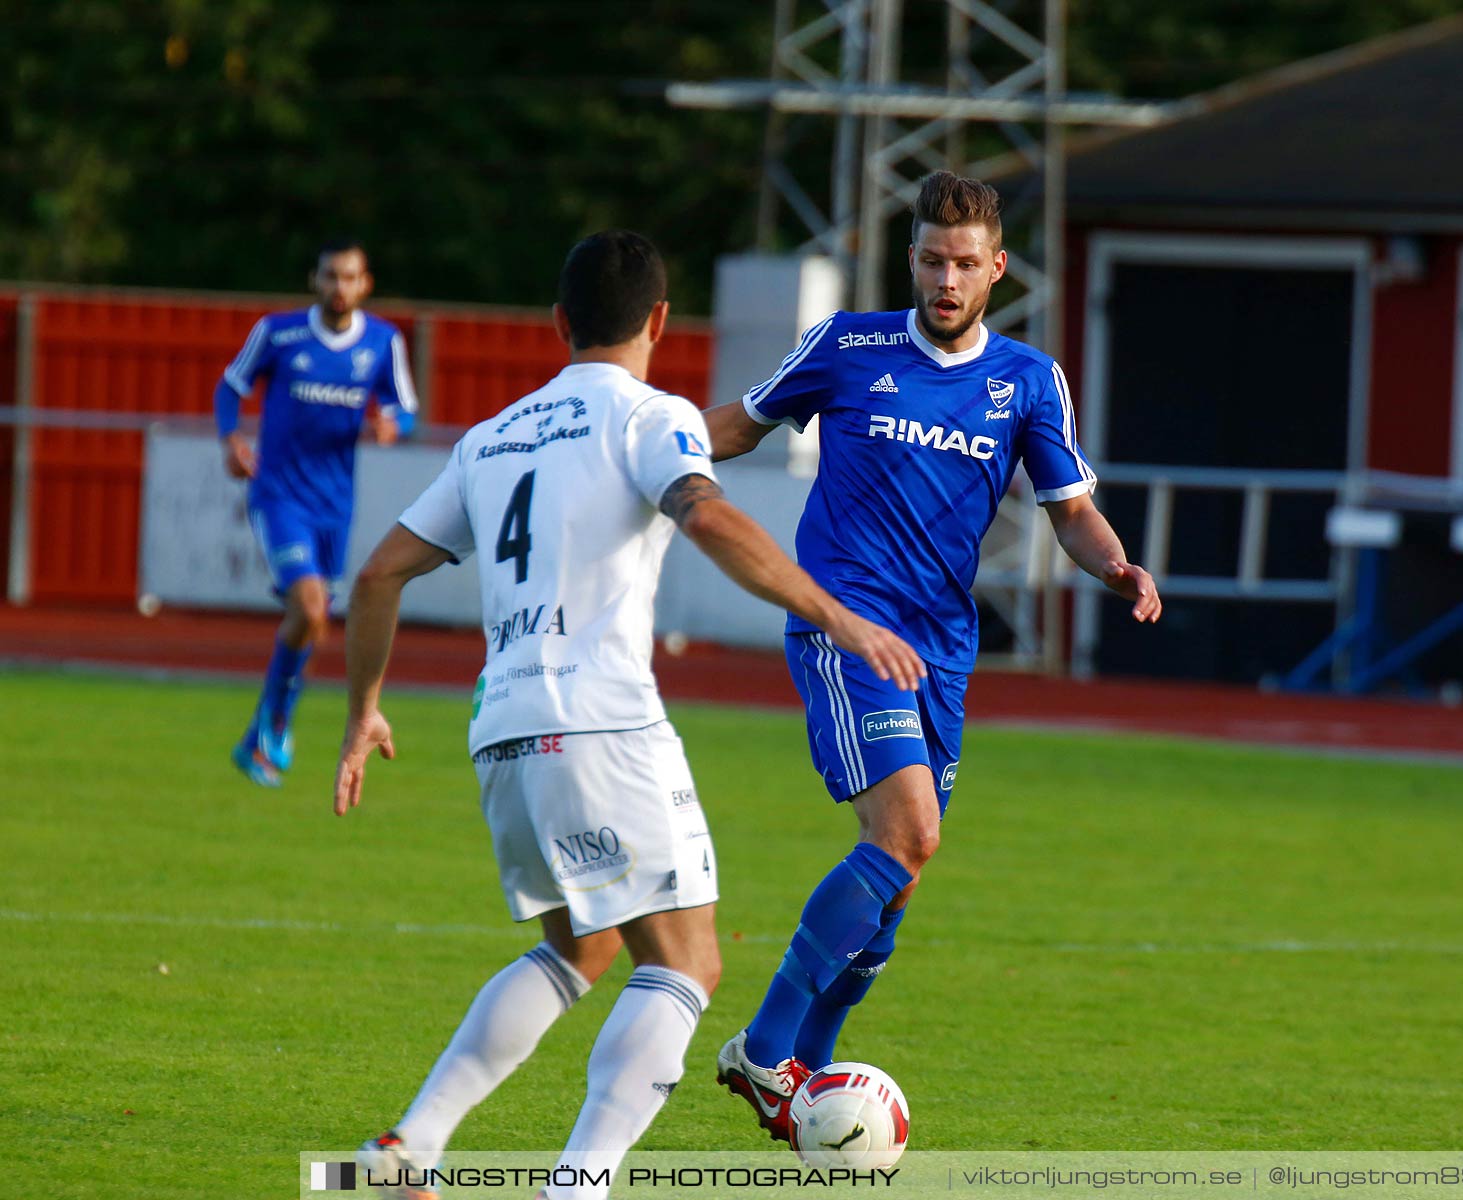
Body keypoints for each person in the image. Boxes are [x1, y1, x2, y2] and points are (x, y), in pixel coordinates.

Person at [333, 231, 923, 1200]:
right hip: (601, 723)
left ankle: (409, 1150)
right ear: (659, 322)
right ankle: (579, 1185)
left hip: (503, 734)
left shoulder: (493, 436)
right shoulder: (654, 417)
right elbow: (709, 515)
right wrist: (840, 618)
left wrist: (364, 711)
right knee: (689, 961)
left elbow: (378, 575)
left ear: (559, 323)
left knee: (584, 945)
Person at [704, 170, 1162, 1141]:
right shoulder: (849, 347)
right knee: (907, 831)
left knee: (902, 878)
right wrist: (649, 457)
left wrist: (1117, 566)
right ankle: (763, 1047)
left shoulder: (1030, 383)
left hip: (942, 657)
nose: (946, 279)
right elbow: (737, 427)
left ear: (998, 268)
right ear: (908, 259)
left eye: (965, 263)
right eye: (930, 259)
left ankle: (811, 1076)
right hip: (846, 628)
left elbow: (1070, 511)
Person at [216, 239, 418, 787]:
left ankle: (260, 732)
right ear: (316, 280)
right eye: (330, 276)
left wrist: (391, 427)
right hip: (279, 494)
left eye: (349, 277)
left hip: (336, 506)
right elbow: (231, 385)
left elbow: (407, 409)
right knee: (308, 608)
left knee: (315, 621)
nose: (339, 287)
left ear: (365, 284)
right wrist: (231, 439)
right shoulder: (279, 333)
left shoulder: (382, 341)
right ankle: (274, 726)